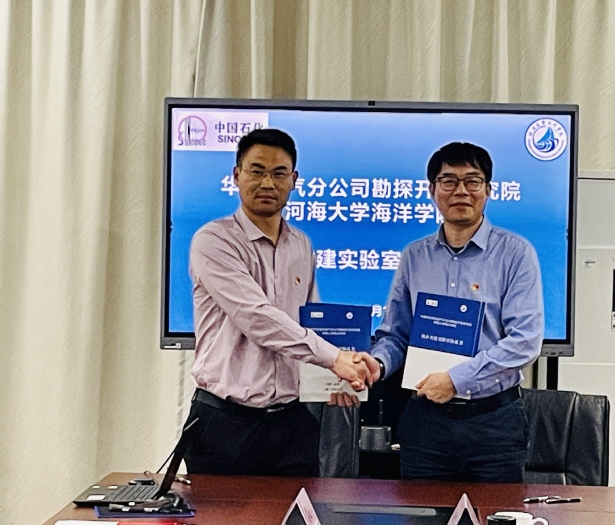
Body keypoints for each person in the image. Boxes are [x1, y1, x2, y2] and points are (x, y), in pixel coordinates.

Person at [182, 128, 371, 477]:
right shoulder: (214, 240)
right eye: (257, 171)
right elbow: (257, 317)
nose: (267, 183)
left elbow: (312, 323)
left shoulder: (301, 244)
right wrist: (336, 359)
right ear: (237, 175)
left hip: (292, 422)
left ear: (294, 180)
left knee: (299, 507)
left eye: (279, 173)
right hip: (225, 421)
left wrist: (335, 383)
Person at [357, 141, 544, 482]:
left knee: (495, 511)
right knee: (423, 509)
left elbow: (525, 341)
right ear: (432, 190)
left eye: (472, 181)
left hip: (493, 423)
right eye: (449, 181)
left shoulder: (516, 254)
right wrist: (377, 364)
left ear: (488, 189)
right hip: (426, 422)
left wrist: (456, 380)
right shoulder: (415, 257)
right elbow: (396, 335)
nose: (461, 191)